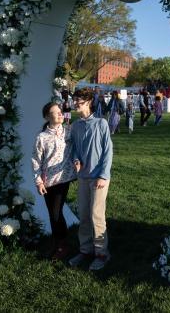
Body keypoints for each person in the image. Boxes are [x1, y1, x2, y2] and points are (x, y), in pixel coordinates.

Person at [68, 88, 113, 271]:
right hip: (83, 178)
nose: (75, 103)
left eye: (79, 100)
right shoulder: (76, 126)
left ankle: (102, 253)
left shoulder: (101, 123)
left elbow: (108, 151)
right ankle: (85, 250)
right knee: (84, 214)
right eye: (75, 100)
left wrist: (103, 175)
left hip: (99, 178)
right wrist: (76, 159)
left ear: (88, 102)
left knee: (96, 215)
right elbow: (75, 148)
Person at [31, 102, 79, 260]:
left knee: (55, 212)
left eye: (60, 111)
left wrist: (78, 160)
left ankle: (62, 245)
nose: (60, 114)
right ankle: (57, 242)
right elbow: (36, 161)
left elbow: (78, 149)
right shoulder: (42, 137)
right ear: (46, 116)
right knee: (53, 214)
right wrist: (39, 182)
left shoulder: (69, 132)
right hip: (47, 182)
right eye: (55, 112)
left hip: (63, 179)